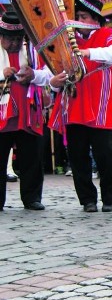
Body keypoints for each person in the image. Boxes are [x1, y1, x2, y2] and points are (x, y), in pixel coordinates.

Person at [49, 0, 112, 213]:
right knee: (77, 154)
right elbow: (55, 68)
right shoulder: (66, 39)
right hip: (75, 101)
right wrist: (54, 82)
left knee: (106, 153)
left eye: (83, 17)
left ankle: (110, 198)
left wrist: (88, 52)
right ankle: (87, 199)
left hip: (101, 103)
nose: (79, 20)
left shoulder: (109, 34)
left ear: (95, 20)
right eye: (77, 17)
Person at [0, 12, 53, 211]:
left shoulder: (33, 52)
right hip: (3, 116)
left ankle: (32, 198)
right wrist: (1, 73)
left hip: (29, 113)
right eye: (10, 39)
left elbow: (50, 73)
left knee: (32, 156)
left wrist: (33, 75)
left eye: (18, 39)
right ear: (1, 37)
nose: (14, 43)